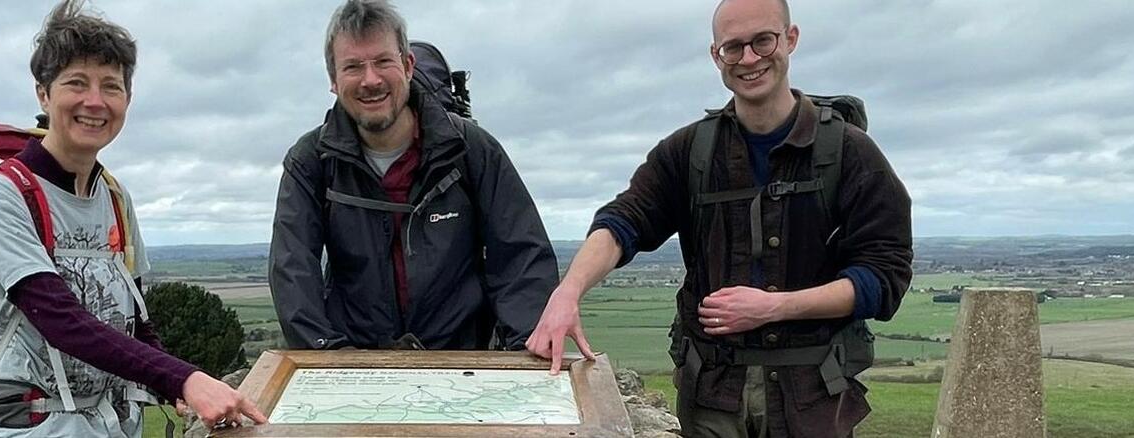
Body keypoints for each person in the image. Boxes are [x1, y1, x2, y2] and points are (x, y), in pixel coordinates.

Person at [527, 0, 914, 436]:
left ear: (790, 39)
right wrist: (569, 292)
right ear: (716, 56)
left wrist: (774, 307)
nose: (749, 58)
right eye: (733, 47)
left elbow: (883, 279)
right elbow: (624, 221)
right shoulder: (690, 152)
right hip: (712, 396)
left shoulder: (849, 153)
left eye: (762, 41)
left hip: (812, 400)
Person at [0, 1, 265, 435]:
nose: (95, 101)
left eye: (111, 86)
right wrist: (184, 377)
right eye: (76, 83)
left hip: (116, 423)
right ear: (43, 93)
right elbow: (60, 320)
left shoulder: (115, 195)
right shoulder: (0, 194)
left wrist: (178, 390)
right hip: (35, 427)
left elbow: (136, 321)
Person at [268, 0, 557, 351]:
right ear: (333, 80)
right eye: (353, 66)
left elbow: (520, 253)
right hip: (355, 360)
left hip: (462, 359)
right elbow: (293, 269)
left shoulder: (471, 149)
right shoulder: (310, 161)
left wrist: (525, 347)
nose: (370, 79)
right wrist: (328, 356)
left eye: (383, 61)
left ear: (407, 65)